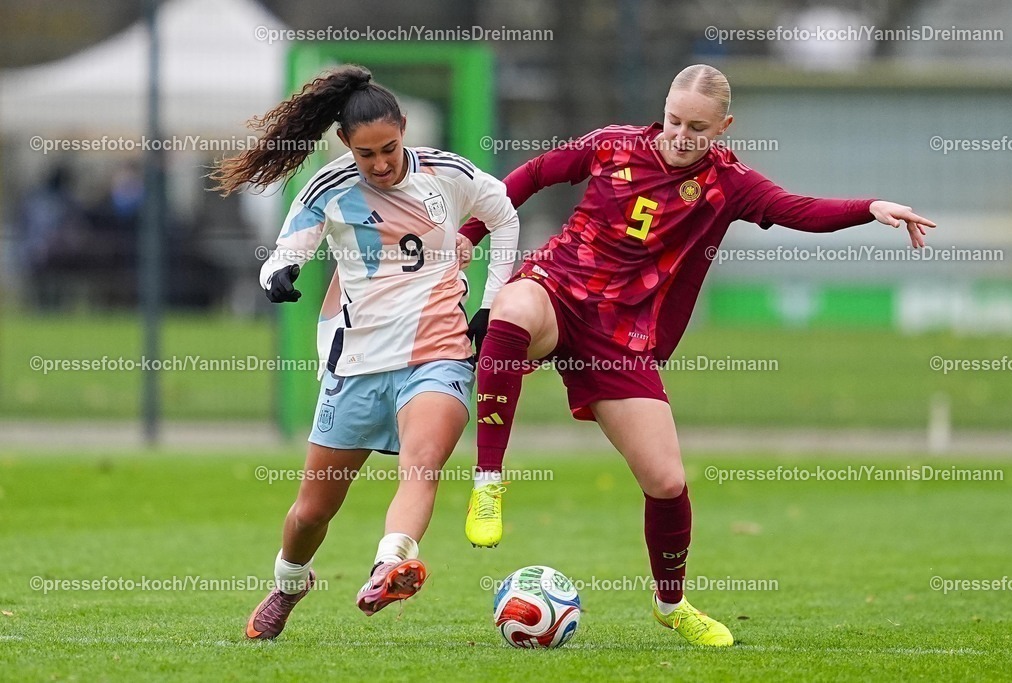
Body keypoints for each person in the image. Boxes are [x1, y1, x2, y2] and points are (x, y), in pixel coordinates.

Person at [459, 64, 935, 647]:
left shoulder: (727, 184)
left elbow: (797, 209)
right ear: (663, 109)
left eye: (699, 128)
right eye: (674, 120)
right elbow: (531, 176)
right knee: (510, 308)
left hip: (620, 337)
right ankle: (488, 478)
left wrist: (869, 207)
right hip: (558, 290)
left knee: (665, 481)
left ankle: (671, 604)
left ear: (724, 127)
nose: (682, 135)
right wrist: (472, 235)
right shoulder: (613, 145)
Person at [212, 65, 519, 640]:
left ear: (404, 129)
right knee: (311, 513)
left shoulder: (447, 174)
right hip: (356, 363)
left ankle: (390, 564)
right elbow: (285, 252)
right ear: (343, 146)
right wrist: (277, 276)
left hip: (439, 352)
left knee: (422, 463)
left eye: (389, 148)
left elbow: (503, 213)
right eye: (365, 154)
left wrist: (490, 306)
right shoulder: (328, 190)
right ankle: (287, 584)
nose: (380, 164)